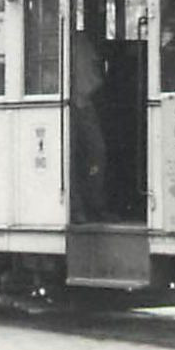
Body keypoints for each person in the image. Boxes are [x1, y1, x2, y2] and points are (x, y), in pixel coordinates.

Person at [70, 29, 109, 221]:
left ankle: (93, 204)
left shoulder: (80, 40)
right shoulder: (66, 39)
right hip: (70, 106)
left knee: (95, 153)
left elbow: (92, 75)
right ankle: (78, 208)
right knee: (72, 156)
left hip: (83, 104)